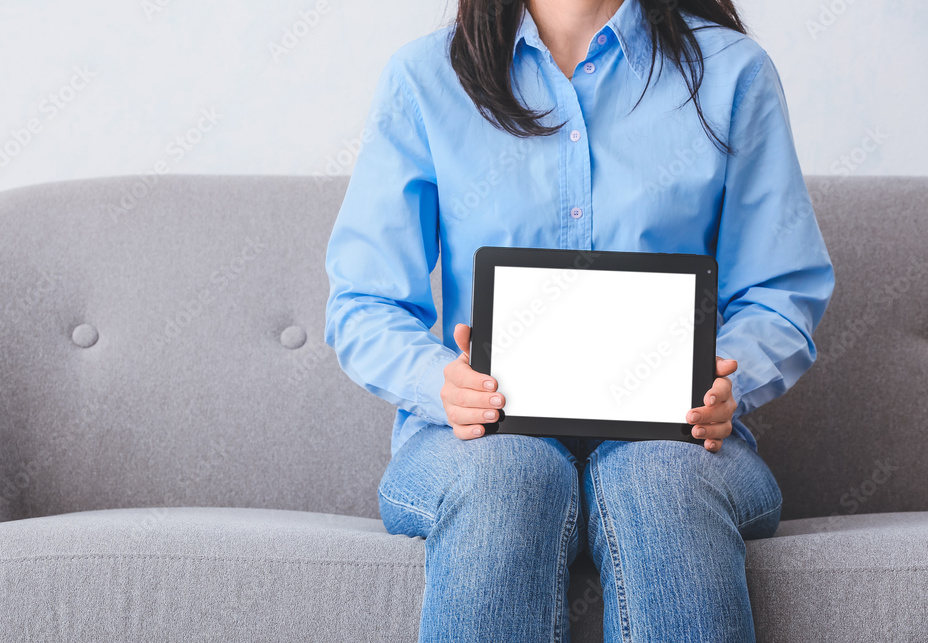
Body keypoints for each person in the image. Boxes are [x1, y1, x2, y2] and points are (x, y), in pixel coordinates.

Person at [323, 0, 835, 640]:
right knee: (509, 475)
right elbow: (365, 301)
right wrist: (442, 383)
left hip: (679, 442)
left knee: (656, 476)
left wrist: (726, 377)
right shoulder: (425, 77)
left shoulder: (733, 72)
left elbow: (780, 289)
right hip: (479, 443)